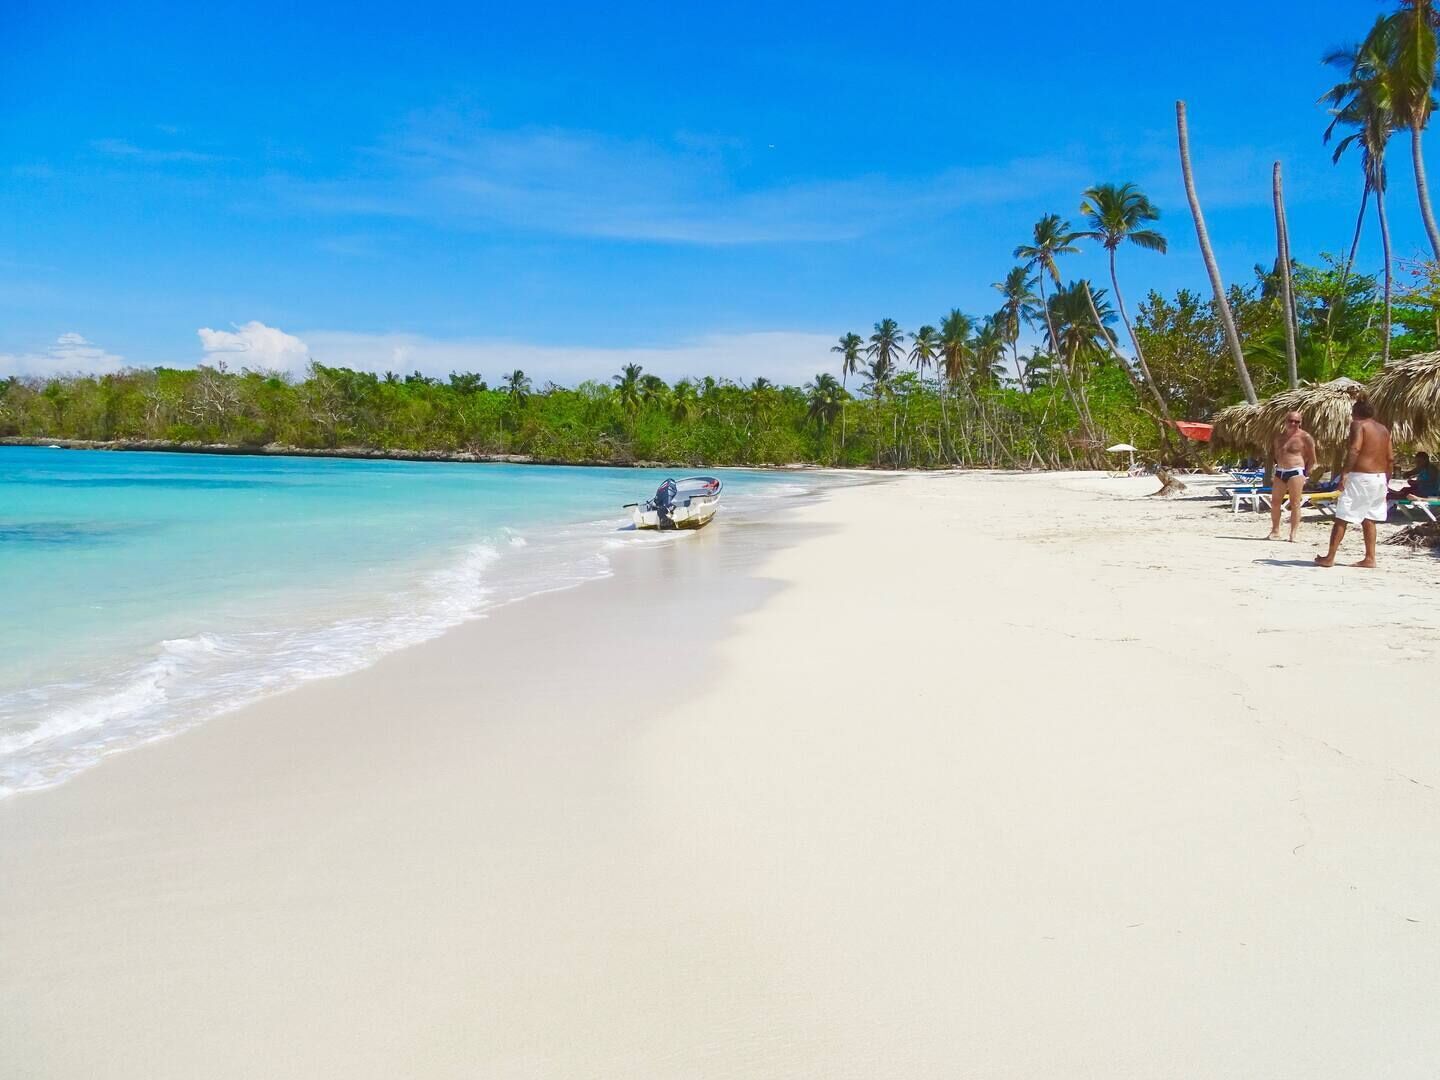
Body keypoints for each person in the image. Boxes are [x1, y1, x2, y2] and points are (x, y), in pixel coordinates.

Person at [1316, 399, 1394, 569]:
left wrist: (1345, 473)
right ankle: (1370, 558)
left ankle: (1330, 557)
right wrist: (1387, 478)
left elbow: (1355, 449)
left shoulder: (1358, 425)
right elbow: (1390, 457)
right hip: (1379, 477)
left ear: (1356, 412)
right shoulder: (1383, 429)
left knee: (1342, 517)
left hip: (1361, 476)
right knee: (1369, 518)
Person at [1268, 410, 1316, 542]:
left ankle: (1293, 533)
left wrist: (1306, 475)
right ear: (1285, 421)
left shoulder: (1305, 437)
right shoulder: (1279, 437)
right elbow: (1276, 455)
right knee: (1275, 502)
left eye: (1297, 421)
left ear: (1301, 423)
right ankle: (1275, 530)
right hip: (1280, 472)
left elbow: (1312, 459)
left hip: (1296, 471)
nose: (1293, 424)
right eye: (1291, 421)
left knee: (1295, 503)